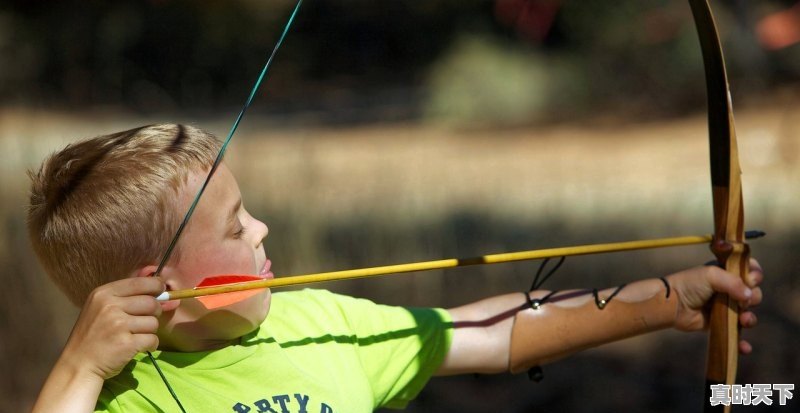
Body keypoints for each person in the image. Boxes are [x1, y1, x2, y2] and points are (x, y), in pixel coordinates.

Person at [27, 124, 763, 412]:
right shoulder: (125, 396)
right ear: (162, 289)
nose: (263, 228)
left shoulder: (318, 323)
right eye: (235, 224)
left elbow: (490, 332)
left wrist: (666, 298)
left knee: (775, 398)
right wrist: (80, 369)